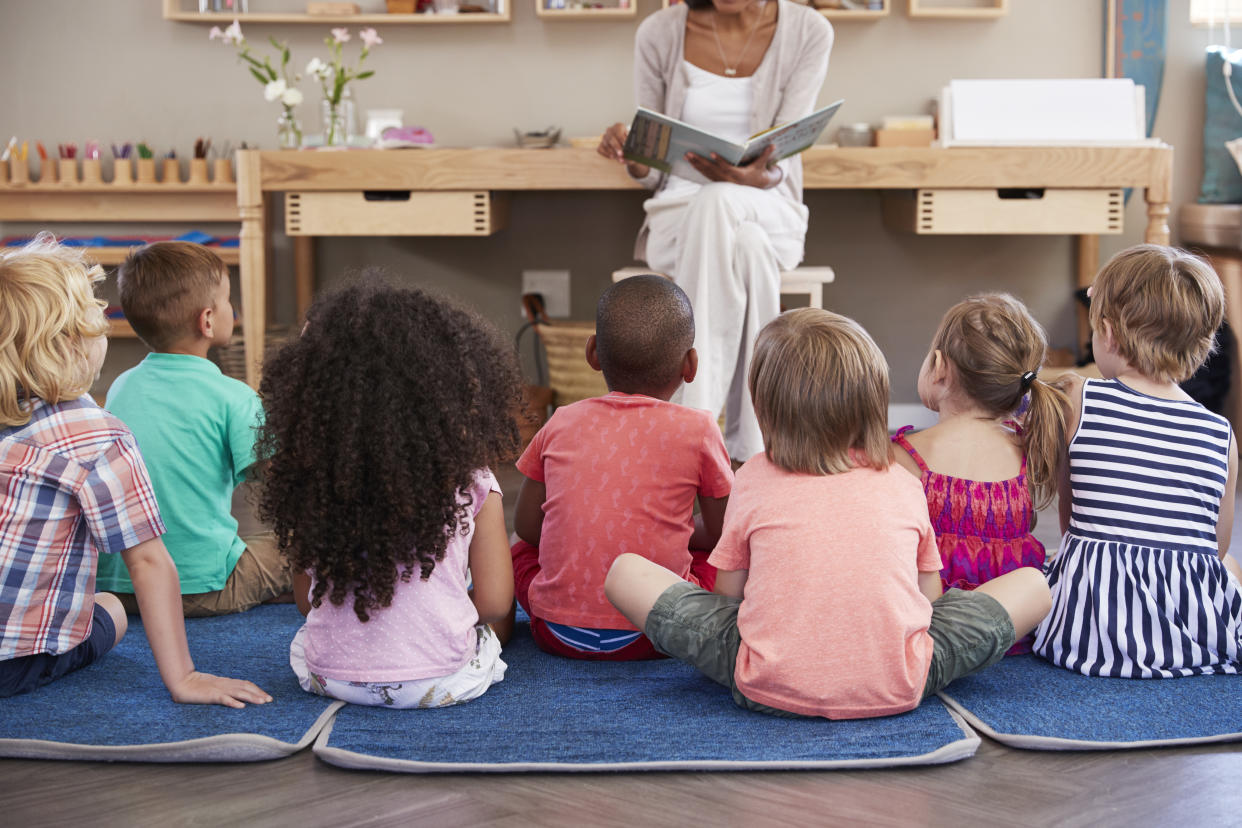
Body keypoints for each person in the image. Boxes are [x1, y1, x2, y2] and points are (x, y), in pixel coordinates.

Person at [604, 309, 1051, 719]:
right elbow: (930, 604)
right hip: (902, 683)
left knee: (625, 572)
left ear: (764, 410)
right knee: (1034, 584)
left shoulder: (754, 477)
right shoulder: (903, 480)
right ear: (873, 406)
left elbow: (728, 600)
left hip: (764, 682)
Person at [0, 234, 270, 706]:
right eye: (97, 325)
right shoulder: (97, 434)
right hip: (14, 664)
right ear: (70, 344)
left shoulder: (120, 390)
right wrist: (184, 678)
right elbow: (147, 561)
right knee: (110, 613)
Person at [258, 278, 520, 708]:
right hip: (444, 683)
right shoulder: (473, 480)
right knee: (490, 620)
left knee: (309, 636)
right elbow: (493, 602)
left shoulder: (311, 478)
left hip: (330, 679)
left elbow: (308, 604)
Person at [597, 0, 833, 463]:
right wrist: (631, 149)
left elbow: (781, 156)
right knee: (742, 242)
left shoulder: (809, 30)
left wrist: (750, 178)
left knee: (721, 200)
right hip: (678, 214)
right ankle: (759, 445)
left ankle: (690, 433)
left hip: (770, 207)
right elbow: (651, 169)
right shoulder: (658, 32)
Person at [1034, 245, 1242, 677]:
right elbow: (1214, 546)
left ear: (1107, 334)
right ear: (1204, 344)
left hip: (1090, 633)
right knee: (1231, 564)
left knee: (1048, 564)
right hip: (1190, 639)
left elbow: (1072, 521)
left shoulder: (1079, 398)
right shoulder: (1221, 434)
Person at [512, 275, 733, 660]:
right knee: (718, 562)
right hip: (657, 632)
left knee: (518, 553)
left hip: (555, 631)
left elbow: (528, 529)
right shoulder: (699, 429)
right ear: (690, 364)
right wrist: (672, 533)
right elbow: (723, 535)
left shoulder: (560, 421)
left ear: (593, 353)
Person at [96, 242, 291, 617]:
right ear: (206, 320)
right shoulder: (234, 396)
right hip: (202, 589)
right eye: (228, 301)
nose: (232, 310)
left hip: (124, 585)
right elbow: (283, 481)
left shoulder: (120, 386)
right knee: (294, 544)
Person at [892, 294, 1068, 654]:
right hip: (1008, 623)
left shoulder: (903, 455)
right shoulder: (1027, 449)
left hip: (929, 620)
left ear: (938, 366)